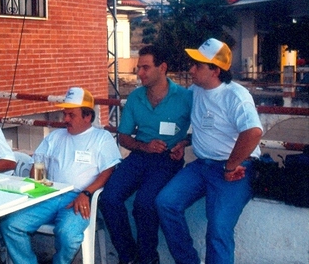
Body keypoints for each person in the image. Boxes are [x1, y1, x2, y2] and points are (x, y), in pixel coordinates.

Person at [156, 38, 263, 264]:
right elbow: (210, 129)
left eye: (198, 65)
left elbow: (253, 132)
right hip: (202, 165)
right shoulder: (196, 90)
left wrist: (230, 166)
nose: (191, 69)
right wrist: (184, 142)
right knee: (165, 203)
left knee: (218, 229)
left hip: (235, 169)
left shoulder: (236, 95)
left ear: (215, 70)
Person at [0, 87, 121, 264]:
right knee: (10, 225)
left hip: (79, 197)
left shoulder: (101, 138)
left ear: (87, 116)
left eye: (71, 115)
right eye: (65, 114)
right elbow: (37, 165)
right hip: (49, 193)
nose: (65, 119)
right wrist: (36, 178)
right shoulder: (55, 136)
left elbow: (108, 171)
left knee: (68, 234)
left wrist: (87, 193)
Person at [99, 45, 192, 264]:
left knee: (145, 204)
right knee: (109, 198)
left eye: (145, 68)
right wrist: (144, 146)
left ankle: (148, 259)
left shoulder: (185, 97)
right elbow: (123, 137)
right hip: (140, 156)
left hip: (168, 160)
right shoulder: (135, 97)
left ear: (163, 68)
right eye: (139, 67)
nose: (139, 73)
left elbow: (201, 132)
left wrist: (184, 143)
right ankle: (128, 255)